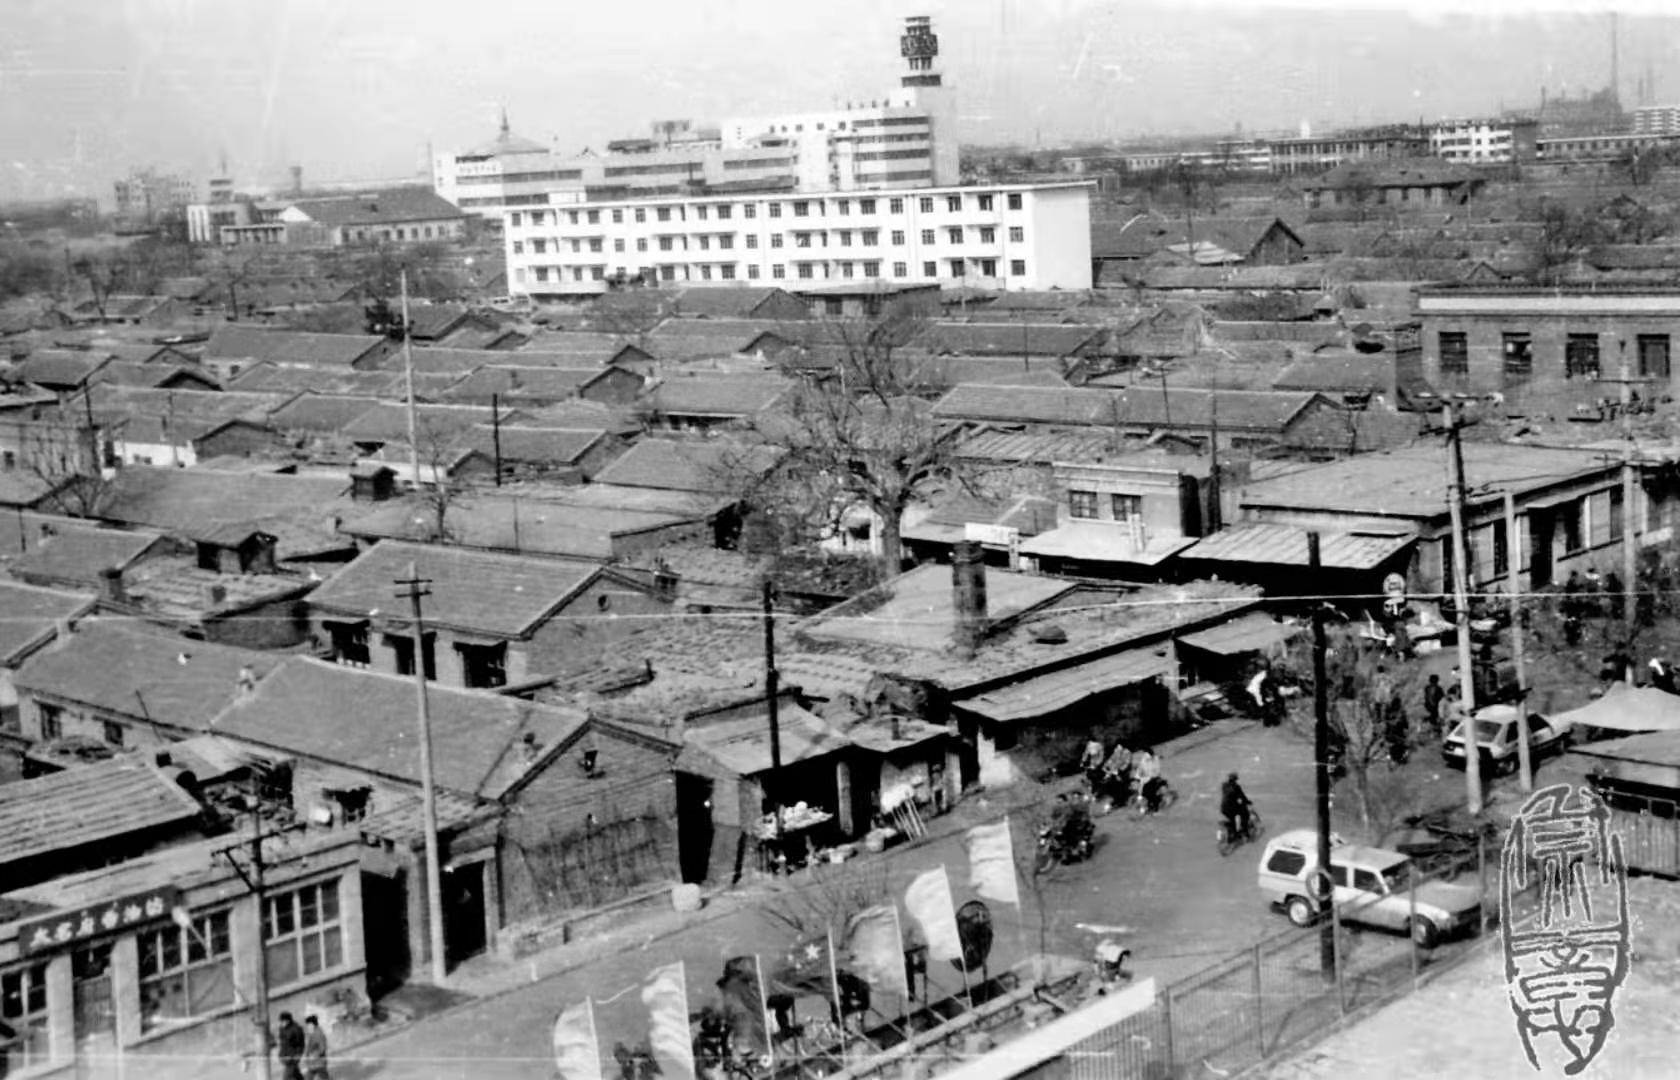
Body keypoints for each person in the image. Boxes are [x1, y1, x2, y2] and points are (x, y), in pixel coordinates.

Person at [1220, 772, 1252, 842]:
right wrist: (1248, 802)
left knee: (1232, 819)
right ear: (1235, 779)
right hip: (1231, 807)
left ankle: (1233, 833)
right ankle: (1245, 833)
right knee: (1245, 815)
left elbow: (1229, 796)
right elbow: (1242, 797)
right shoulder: (1236, 787)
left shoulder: (1224, 785)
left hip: (1223, 807)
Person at [1131, 747, 1165, 812]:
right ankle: (1143, 803)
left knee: (1148, 789)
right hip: (1145, 779)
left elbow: (1156, 771)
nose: (1144, 755)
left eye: (1145, 754)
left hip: (1153, 778)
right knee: (1140, 788)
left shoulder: (1154, 760)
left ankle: (1154, 804)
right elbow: (1140, 770)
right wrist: (1137, 777)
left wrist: (1150, 776)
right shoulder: (1144, 760)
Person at [275, 1013, 305, 1080]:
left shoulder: (297, 1029)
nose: (281, 1023)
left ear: (288, 1021)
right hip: (285, 1056)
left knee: (286, 1076)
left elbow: (301, 1044)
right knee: (296, 1073)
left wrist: (298, 1055)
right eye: (280, 1021)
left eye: (282, 1021)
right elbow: (282, 1043)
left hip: (292, 1057)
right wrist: (281, 1054)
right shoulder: (282, 1029)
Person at [302, 1015, 329, 1080]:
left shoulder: (318, 1034)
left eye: (308, 1025)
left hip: (319, 1063)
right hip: (313, 1063)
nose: (307, 1026)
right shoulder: (311, 1033)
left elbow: (322, 1048)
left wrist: (314, 1055)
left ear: (312, 1024)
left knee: (323, 1077)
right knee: (308, 1077)